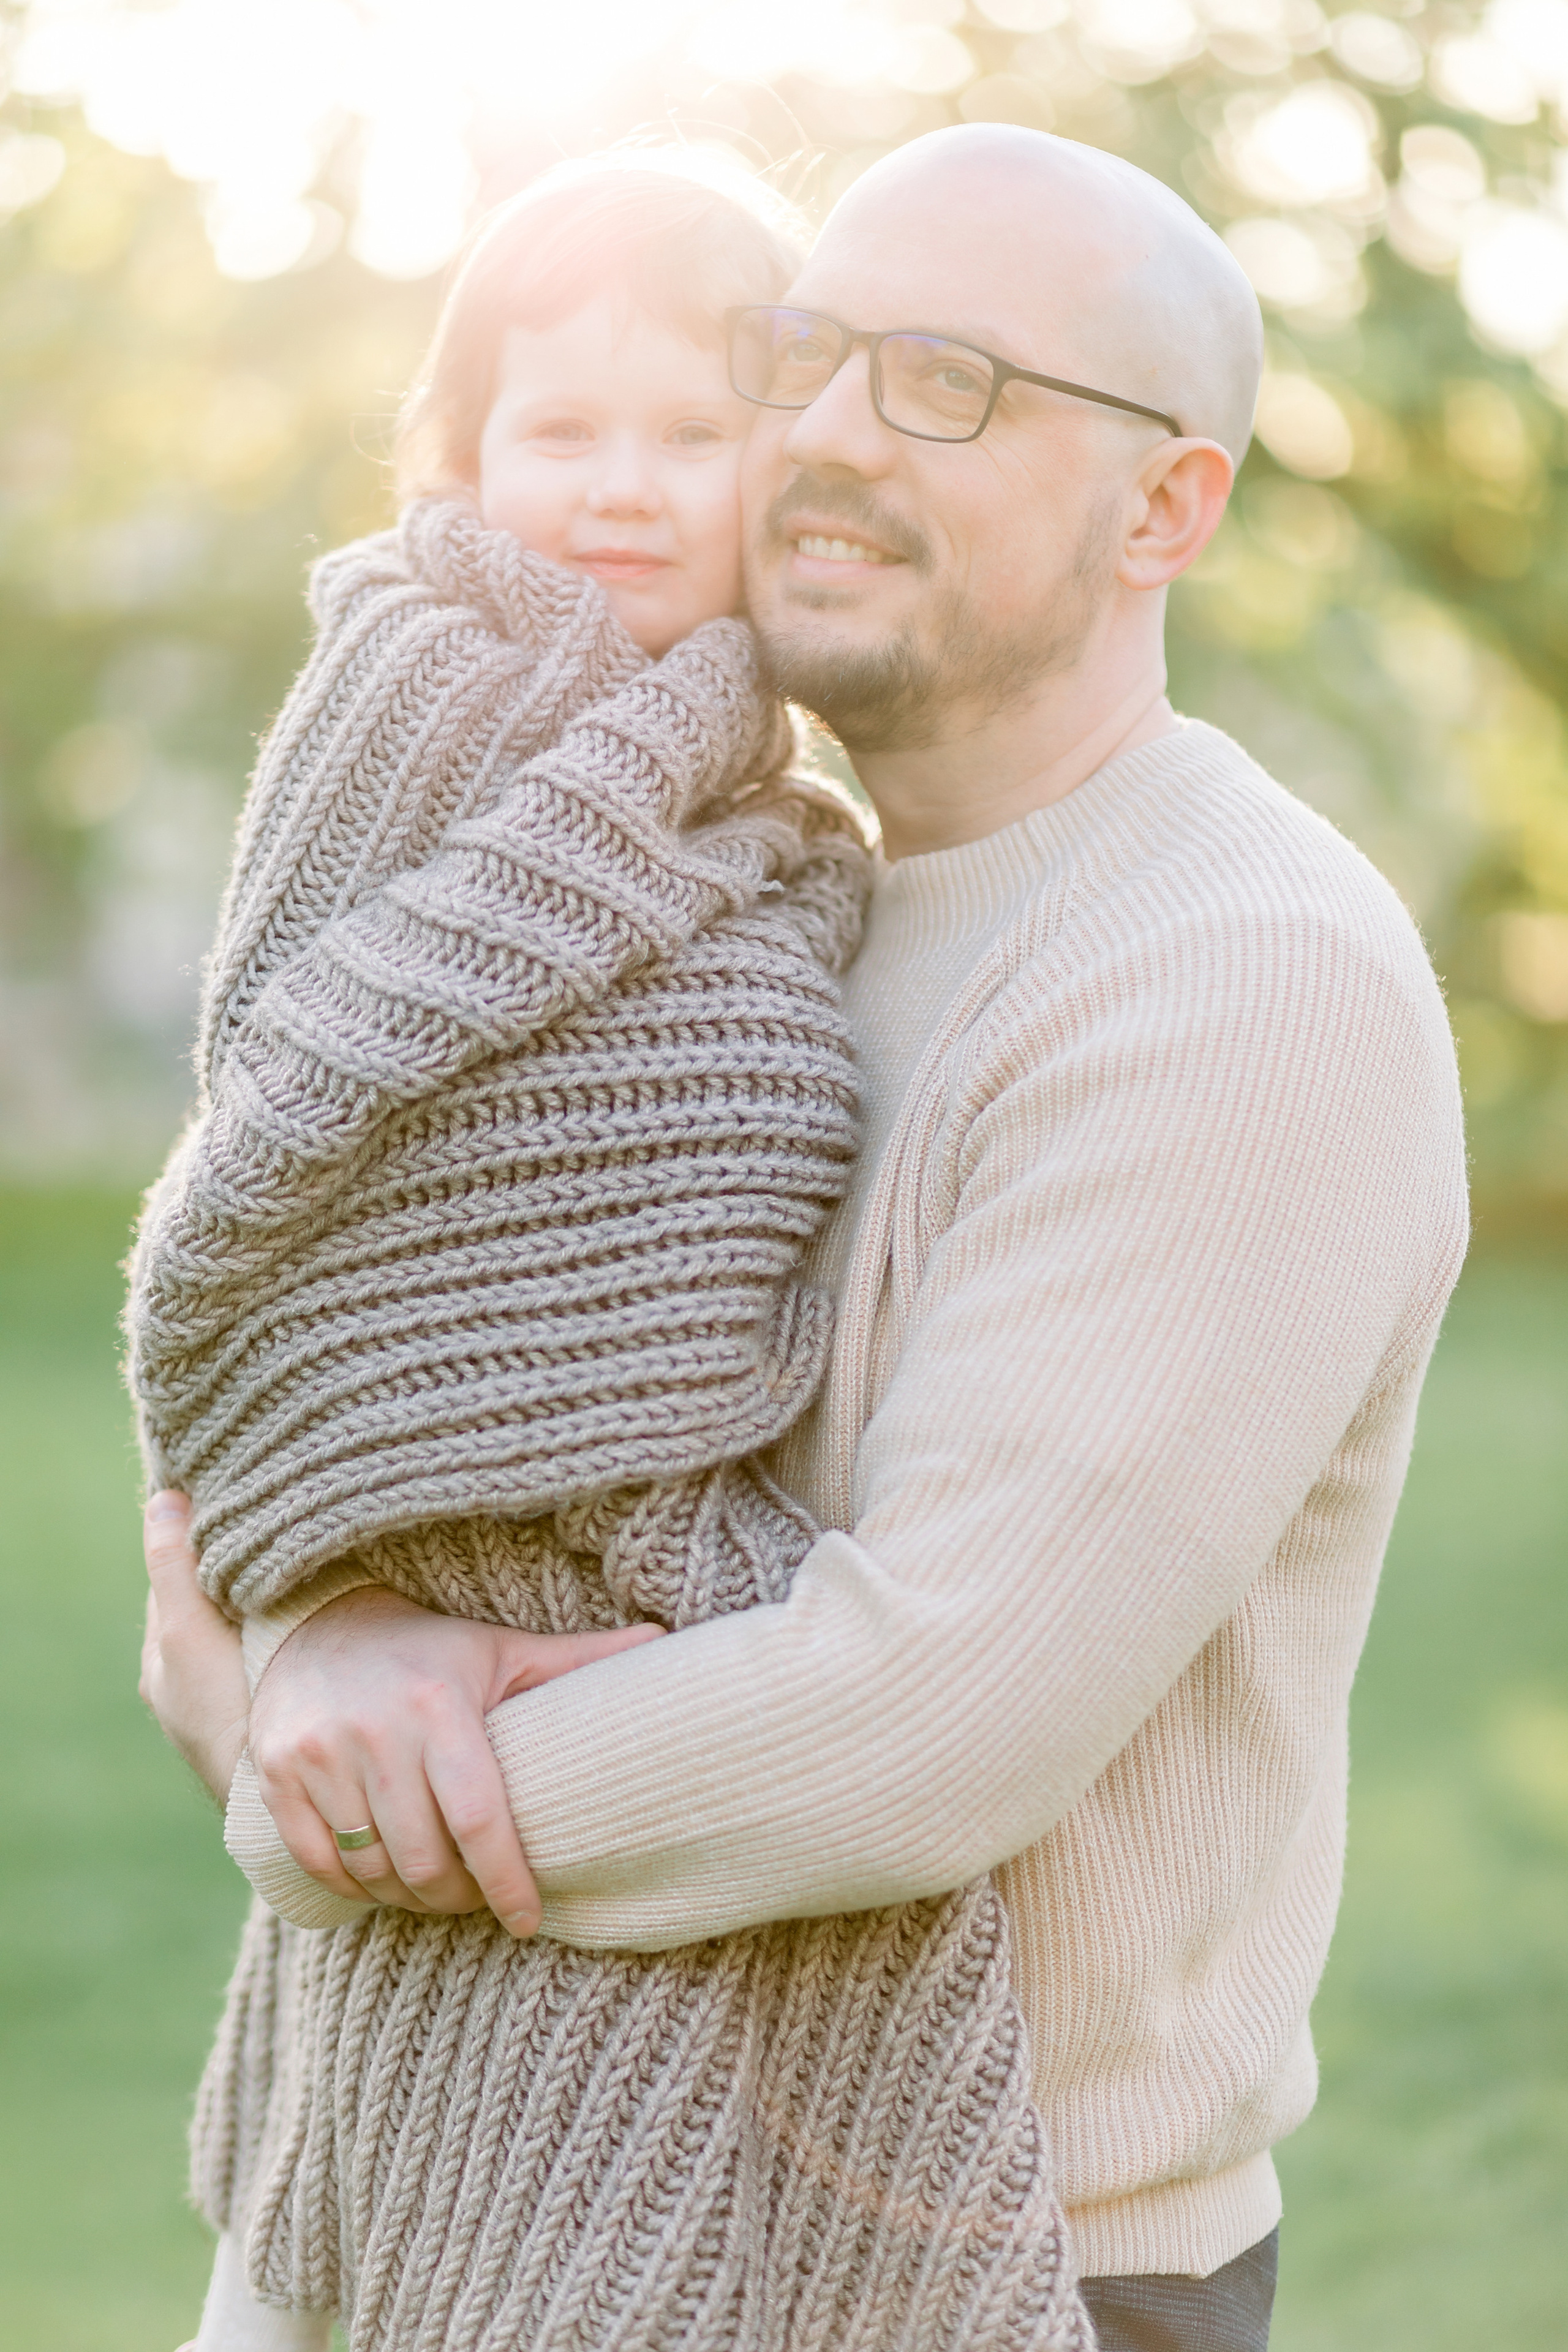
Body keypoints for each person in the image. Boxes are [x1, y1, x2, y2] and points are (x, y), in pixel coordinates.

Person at [143, 126, 1469, 2352]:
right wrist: (328, 1627)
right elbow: (369, 1332)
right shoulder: (738, 903)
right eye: (813, 349)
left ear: (1167, 508)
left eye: (949, 378)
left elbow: (919, 1714)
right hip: (488, 2176)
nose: (834, 433)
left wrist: (311, 1788)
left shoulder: (1239, 970)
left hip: (979, 2255)